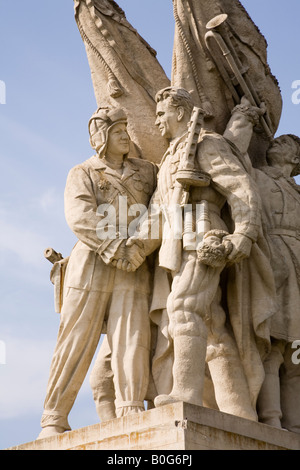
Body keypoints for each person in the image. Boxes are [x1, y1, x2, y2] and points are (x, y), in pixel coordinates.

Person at [126, 86, 268, 420]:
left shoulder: (206, 143)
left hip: (203, 234)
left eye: (162, 113)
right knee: (213, 325)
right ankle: (239, 408)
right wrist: (129, 249)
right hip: (176, 240)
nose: (158, 120)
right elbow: (159, 212)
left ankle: (185, 394)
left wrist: (244, 235)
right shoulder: (169, 157)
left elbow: (240, 188)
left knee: (183, 307)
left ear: (179, 111)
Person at [38, 107, 157, 438]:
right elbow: (79, 215)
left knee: (133, 334)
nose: (124, 135)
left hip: (135, 262)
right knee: (75, 338)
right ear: (101, 138)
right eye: (117, 130)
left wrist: (140, 247)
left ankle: (130, 408)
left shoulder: (148, 172)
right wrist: (115, 247)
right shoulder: (83, 172)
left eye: (125, 129)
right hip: (91, 261)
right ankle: (53, 418)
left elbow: (162, 209)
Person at [253, 135, 300, 432]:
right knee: (271, 343)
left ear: (295, 160)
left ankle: (295, 425)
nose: (275, 145)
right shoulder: (256, 176)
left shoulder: (298, 192)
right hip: (270, 257)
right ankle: (271, 417)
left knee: (296, 354)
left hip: (297, 263)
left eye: (284, 144)